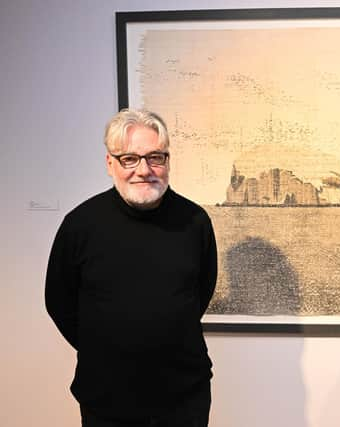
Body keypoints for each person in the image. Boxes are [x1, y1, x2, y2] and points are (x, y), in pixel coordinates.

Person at [45, 109, 217, 427]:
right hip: (106, 397)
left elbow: (200, 293)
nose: (144, 170)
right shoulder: (80, 225)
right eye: (130, 159)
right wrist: (105, 345)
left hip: (183, 396)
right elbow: (58, 301)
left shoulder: (195, 222)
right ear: (110, 163)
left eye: (155, 157)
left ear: (167, 161)